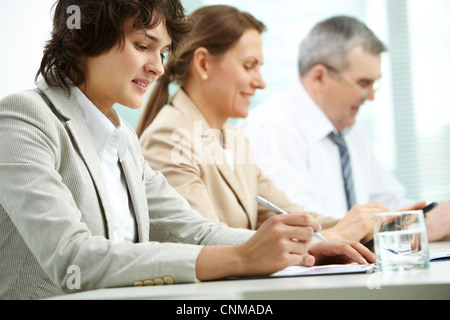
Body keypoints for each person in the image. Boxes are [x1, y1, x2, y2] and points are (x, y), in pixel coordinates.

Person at [0, 1, 375, 300]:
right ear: (86, 38)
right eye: (143, 46)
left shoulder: (121, 137)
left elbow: (194, 233)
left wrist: (304, 248)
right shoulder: (24, 118)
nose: (157, 67)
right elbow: (73, 260)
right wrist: (242, 257)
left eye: (162, 52)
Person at [137, 6, 394, 244]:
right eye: (249, 66)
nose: (261, 83)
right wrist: (334, 236)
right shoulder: (170, 135)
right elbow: (203, 240)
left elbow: (291, 215)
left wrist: (369, 225)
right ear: (204, 64)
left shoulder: (234, 139)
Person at [238, 15, 449, 241]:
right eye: (363, 84)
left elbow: (389, 203)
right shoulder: (269, 128)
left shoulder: (351, 129)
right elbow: (302, 225)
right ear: (319, 76)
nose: (371, 97)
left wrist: (425, 217)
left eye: (374, 84)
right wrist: (401, 227)